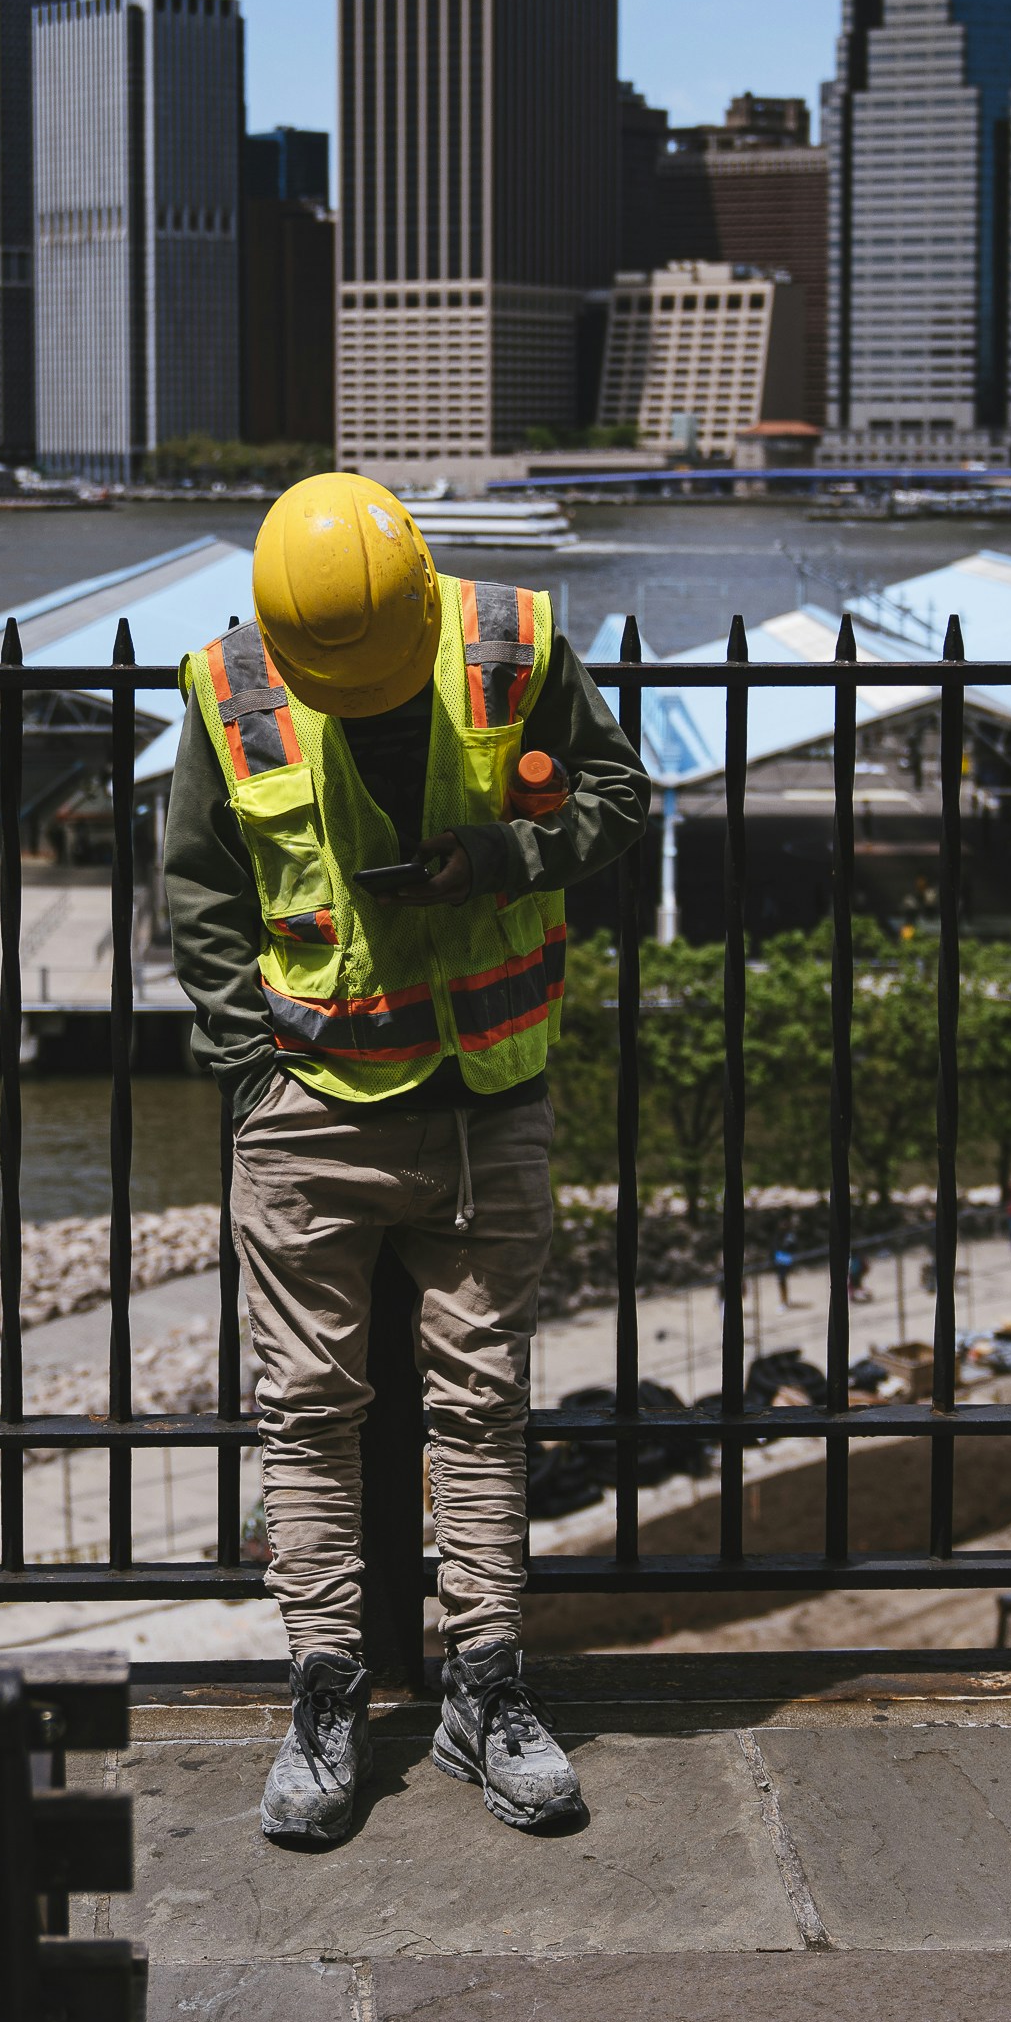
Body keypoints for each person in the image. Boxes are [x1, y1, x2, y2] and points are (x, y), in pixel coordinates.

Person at [167, 469, 647, 1849]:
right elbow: (197, 887)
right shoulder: (228, 687)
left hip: (488, 1085)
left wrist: (511, 851)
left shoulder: (510, 639)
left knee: (480, 1400)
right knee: (307, 1410)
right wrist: (248, 1072)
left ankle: (483, 1684)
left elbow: (619, 799)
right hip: (311, 1098)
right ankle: (327, 1686)